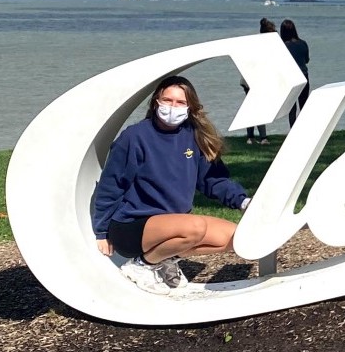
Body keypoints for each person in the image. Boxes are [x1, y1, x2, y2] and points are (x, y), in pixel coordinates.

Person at [92, 76, 252, 294]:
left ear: (190, 107)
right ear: (156, 102)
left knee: (237, 237)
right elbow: (112, 185)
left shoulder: (193, 136)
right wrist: (101, 232)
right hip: (133, 225)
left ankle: (163, 259)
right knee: (194, 227)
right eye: (167, 100)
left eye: (180, 102)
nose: (172, 107)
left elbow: (213, 180)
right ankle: (142, 266)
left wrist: (243, 201)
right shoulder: (135, 137)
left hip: (175, 225)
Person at [243, 17, 277, 144]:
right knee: (258, 109)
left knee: (252, 108)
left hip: (248, 81)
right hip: (255, 81)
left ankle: (251, 136)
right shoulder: (267, 47)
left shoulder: (255, 44)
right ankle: (262, 137)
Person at [279, 18, 310, 127]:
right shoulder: (303, 43)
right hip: (304, 75)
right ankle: (305, 128)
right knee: (304, 104)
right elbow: (307, 60)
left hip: (290, 78)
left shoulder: (282, 46)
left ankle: (293, 129)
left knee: (292, 107)